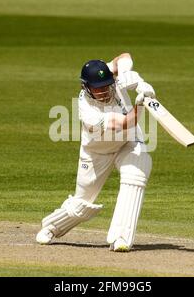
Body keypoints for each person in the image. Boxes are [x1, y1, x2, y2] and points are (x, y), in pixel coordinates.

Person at [36, 53, 155, 252]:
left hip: (128, 142)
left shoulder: (107, 76)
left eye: (106, 86)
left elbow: (124, 57)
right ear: (86, 87)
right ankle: (52, 226)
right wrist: (140, 104)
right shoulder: (87, 111)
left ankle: (121, 238)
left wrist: (131, 77)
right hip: (96, 153)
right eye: (97, 88)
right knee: (82, 205)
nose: (103, 91)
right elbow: (126, 122)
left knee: (137, 172)